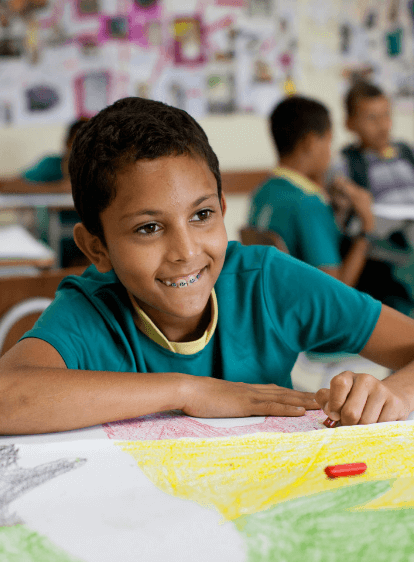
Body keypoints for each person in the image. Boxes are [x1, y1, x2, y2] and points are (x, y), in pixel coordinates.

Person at [1, 96, 414, 436]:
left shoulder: (265, 281)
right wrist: (187, 391)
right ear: (97, 249)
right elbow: (7, 396)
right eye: (148, 227)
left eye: (201, 216)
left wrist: (392, 394)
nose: (186, 251)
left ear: (222, 208)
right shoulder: (92, 310)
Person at [248, 96, 375, 288]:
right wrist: (366, 230)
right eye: (328, 141)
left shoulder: (262, 192)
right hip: (309, 311)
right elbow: (335, 291)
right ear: (310, 143)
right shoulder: (308, 203)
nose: (329, 152)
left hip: (277, 300)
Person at [333, 81, 414, 315]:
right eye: (372, 118)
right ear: (350, 123)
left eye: (386, 115)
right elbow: (341, 208)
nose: (383, 125)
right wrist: (344, 194)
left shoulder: (406, 154)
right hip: (385, 254)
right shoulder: (347, 165)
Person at [0, 119, 89, 267]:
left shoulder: (104, 171)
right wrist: (58, 189)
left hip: (89, 255)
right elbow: (6, 186)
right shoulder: (51, 165)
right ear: (67, 144)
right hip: (50, 250)